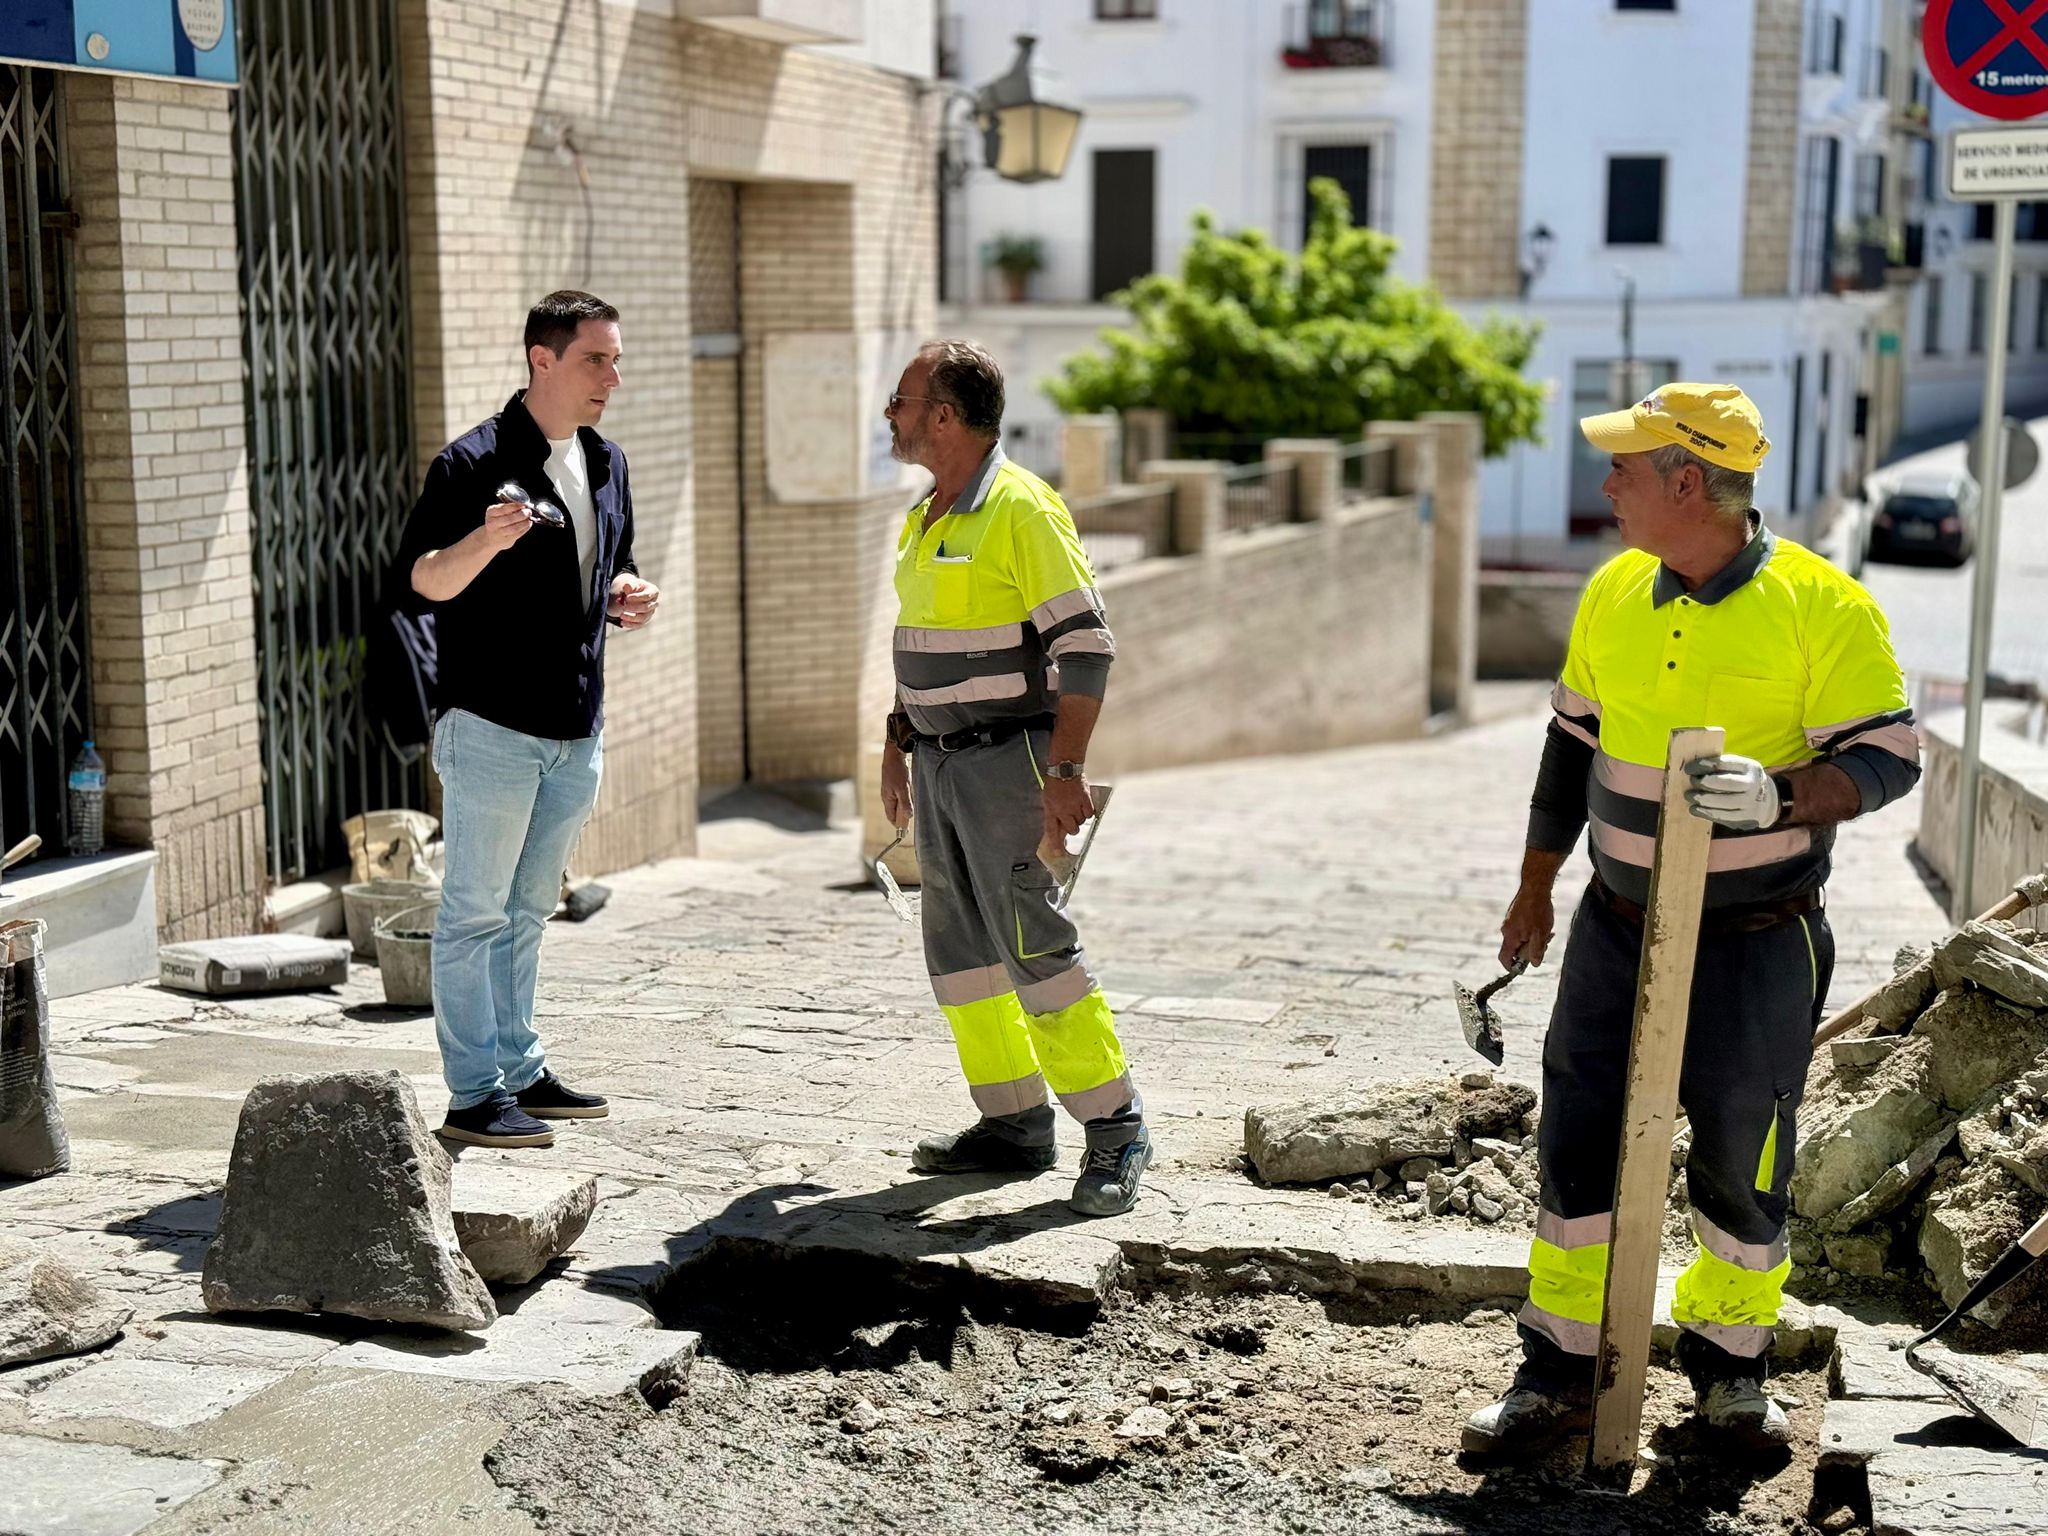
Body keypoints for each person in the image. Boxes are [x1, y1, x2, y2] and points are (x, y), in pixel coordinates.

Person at [1464, 384, 1920, 1457]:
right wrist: (1534, 887)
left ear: (1687, 481)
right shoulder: (1614, 589)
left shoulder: (1824, 606)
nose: (1606, 484)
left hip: (1759, 938)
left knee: (1739, 1148)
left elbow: (1888, 758)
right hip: (1611, 924)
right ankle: (1556, 1372)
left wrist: (1785, 794)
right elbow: (1567, 749)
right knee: (1573, 1135)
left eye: (1625, 467)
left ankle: (1728, 1380)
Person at [877, 340, 1152, 1216]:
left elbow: (1086, 646)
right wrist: (896, 739)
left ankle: (1116, 1130)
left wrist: (1066, 770)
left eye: (903, 399)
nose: (892, 412)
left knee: (1036, 950)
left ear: (946, 416)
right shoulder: (927, 517)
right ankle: (1014, 1126)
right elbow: (920, 642)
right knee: (960, 957)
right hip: (939, 765)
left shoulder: (1023, 511)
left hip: (1012, 765)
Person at [395, 290, 660, 1149]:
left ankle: (520, 1068)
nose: (612, 377)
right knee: (474, 911)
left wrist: (627, 593)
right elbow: (425, 581)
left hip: (575, 726)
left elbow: (610, 565)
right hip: (492, 727)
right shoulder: (472, 463)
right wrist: (484, 542)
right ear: (542, 359)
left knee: (527, 910)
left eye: (615, 360)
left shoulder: (608, 461)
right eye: (596, 359)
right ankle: (474, 1095)